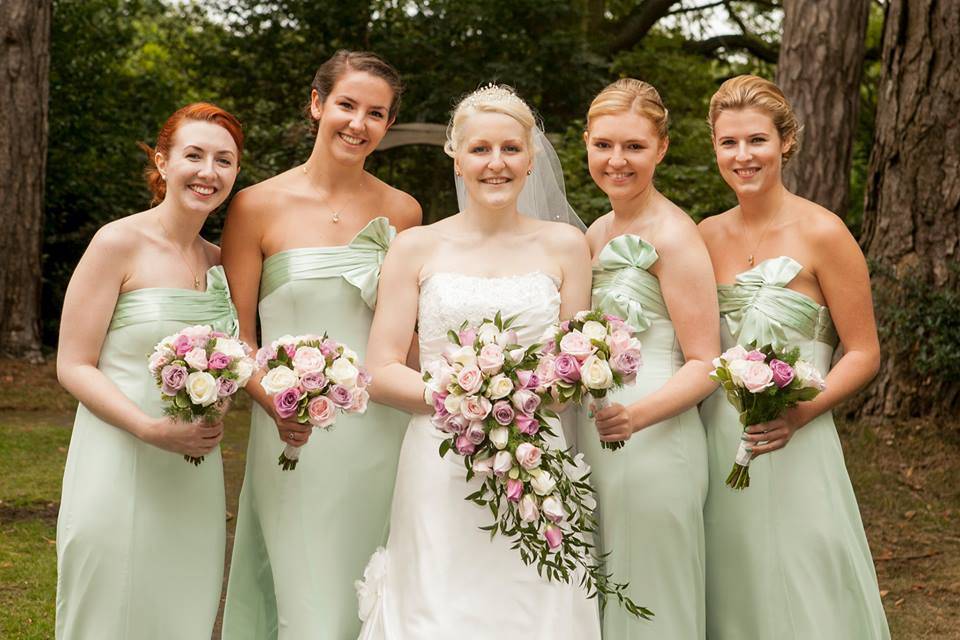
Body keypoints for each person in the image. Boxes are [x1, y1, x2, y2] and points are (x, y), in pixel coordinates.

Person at [353, 84, 601, 639]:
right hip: (439, 461)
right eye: (481, 150)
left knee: (533, 603)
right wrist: (468, 402)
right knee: (438, 606)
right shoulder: (416, 247)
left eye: (511, 149)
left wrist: (518, 404)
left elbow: (573, 367)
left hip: (537, 457)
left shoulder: (565, 246)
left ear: (531, 158)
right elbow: (384, 365)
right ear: (456, 156)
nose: (496, 163)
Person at [220, 50, 421, 640]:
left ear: (388, 124)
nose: (358, 123)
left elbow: (408, 333)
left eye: (376, 113)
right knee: (305, 589)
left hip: (381, 431)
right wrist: (274, 403)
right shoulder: (255, 205)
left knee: (375, 586)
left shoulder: (403, 211)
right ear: (317, 104)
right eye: (347, 105)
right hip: (294, 429)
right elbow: (238, 335)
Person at [698, 75, 890, 640]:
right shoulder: (703, 236)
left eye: (756, 140)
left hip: (799, 438)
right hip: (716, 441)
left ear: (785, 141)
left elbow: (864, 351)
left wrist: (802, 412)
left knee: (804, 575)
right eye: (728, 142)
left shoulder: (824, 232)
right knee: (733, 580)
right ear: (714, 146)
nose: (742, 156)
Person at [55, 103, 243, 639]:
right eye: (194, 155)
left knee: (182, 606)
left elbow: (230, 360)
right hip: (118, 458)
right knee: (108, 607)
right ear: (162, 163)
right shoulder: (117, 243)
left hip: (192, 470)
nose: (209, 172)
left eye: (224, 160)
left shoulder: (220, 263)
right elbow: (72, 364)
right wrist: (149, 428)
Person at [578, 78, 719, 639]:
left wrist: (636, 416)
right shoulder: (596, 231)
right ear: (586, 142)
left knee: (652, 592)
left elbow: (706, 360)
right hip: (599, 431)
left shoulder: (676, 235)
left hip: (654, 434)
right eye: (604, 144)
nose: (617, 160)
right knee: (608, 583)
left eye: (634, 146)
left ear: (661, 149)